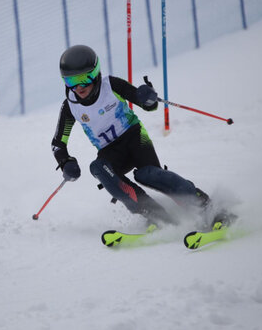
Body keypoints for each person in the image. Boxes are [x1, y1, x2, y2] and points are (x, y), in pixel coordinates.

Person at [51, 44, 223, 227]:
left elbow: (146, 103)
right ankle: (156, 216)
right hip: (110, 152)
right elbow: (58, 143)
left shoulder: (111, 86)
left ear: (95, 73)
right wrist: (65, 162)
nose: (78, 87)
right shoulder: (70, 106)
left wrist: (147, 97)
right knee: (99, 168)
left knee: (148, 175)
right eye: (70, 82)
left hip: (135, 138)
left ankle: (205, 206)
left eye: (83, 79)